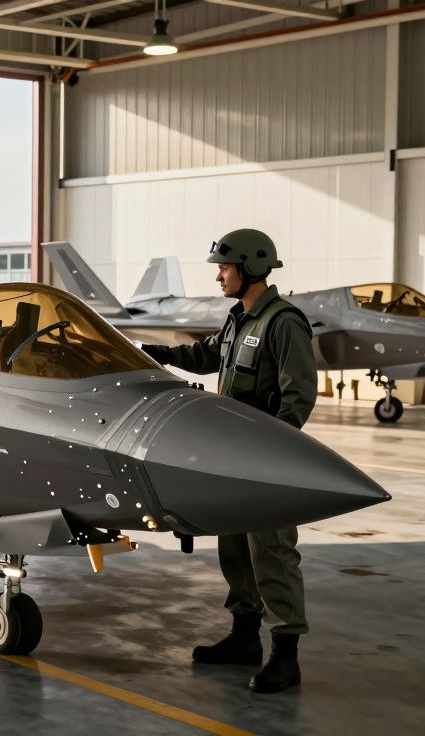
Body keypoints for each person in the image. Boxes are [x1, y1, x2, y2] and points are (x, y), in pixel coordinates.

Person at [140, 229, 316, 694]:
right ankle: (244, 640)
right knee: (235, 549)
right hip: (233, 460)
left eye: (224, 267)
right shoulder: (238, 319)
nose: (218, 275)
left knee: (272, 554)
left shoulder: (283, 322)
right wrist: (151, 355)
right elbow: (203, 356)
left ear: (250, 268)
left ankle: (286, 657)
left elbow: (298, 396)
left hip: (265, 462)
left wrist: (273, 452)